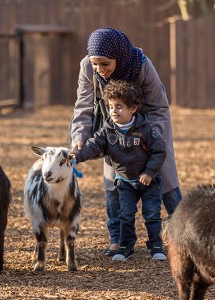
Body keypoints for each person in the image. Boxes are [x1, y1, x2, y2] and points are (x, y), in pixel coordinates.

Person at [70, 27, 182, 257]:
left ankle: (187, 237)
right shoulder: (87, 68)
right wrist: (80, 136)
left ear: (118, 57)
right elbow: (83, 105)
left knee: (165, 179)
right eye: (95, 64)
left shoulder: (141, 65)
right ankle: (118, 241)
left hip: (149, 130)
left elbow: (159, 107)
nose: (100, 70)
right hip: (114, 129)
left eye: (105, 64)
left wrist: (151, 137)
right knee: (113, 182)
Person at [71, 80, 167, 261]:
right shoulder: (107, 130)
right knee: (125, 215)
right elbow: (92, 146)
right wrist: (76, 156)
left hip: (148, 182)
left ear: (132, 109)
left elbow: (160, 151)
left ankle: (156, 245)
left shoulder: (145, 129)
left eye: (119, 107)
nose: (113, 111)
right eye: (111, 107)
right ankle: (126, 246)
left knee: (152, 214)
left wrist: (150, 172)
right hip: (125, 182)